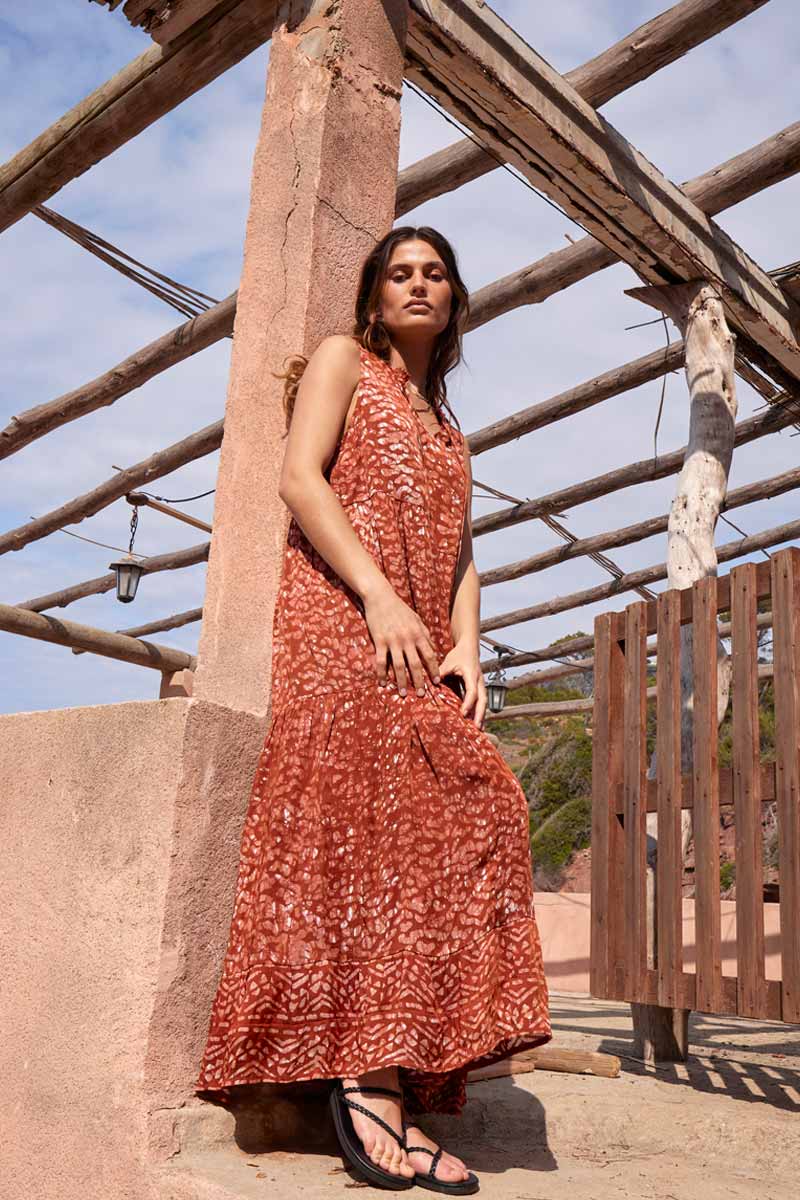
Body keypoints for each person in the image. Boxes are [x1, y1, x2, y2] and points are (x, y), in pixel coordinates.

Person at [196, 226, 552, 1193]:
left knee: (482, 805)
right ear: (374, 298)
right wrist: (381, 595)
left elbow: (464, 549)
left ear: (455, 297)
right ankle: (370, 1082)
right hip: (340, 623)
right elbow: (298, 478)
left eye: (435, 273)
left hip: (418, 645)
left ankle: (400, 1059)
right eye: (400, 273)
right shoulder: (343, 363)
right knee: (375, 839)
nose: (418, 284)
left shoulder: (450, 429)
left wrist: (468, 641)